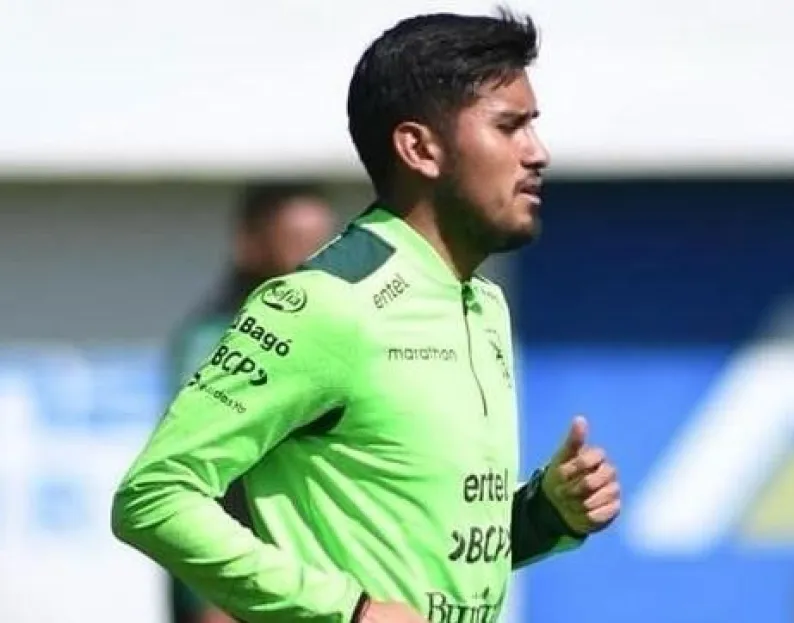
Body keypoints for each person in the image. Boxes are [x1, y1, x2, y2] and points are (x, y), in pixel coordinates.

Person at [112, 9, 621, 623]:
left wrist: (547, 513)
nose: (537, 153)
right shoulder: (324, 303)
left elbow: (427, 553)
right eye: (509, 127)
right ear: (419, 148)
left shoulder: (483, 302)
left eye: (533, 126)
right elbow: (153, 495)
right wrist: (346, 611)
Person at [164, 181, 337, 623]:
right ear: (249, 244)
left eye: (325, 243)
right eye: (297, 241)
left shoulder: (333, 334)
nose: (315, 259)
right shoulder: (215, 341)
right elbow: (187, 480)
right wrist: (210, 599)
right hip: (234, 592)